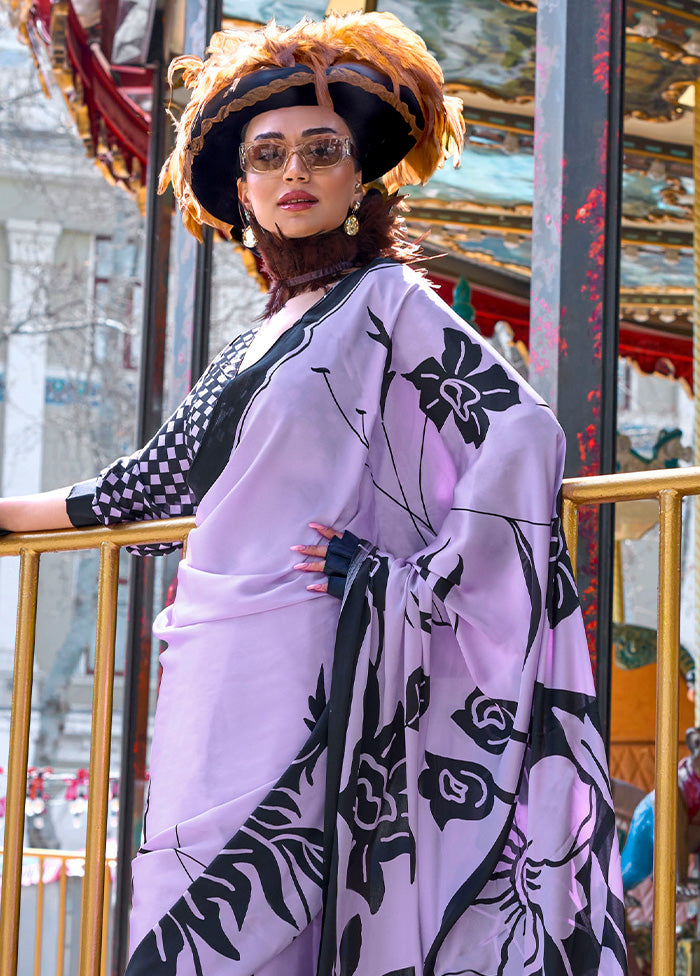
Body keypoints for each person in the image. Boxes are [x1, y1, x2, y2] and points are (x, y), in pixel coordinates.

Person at [0, 13, 626, 976]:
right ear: (241, 189)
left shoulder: (390, 303)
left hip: (312, 649)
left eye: (320, 150)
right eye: (269, 155)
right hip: (209, 657)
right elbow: (151, 485)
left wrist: (409, 582)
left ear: (358, 178)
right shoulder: (254, 341)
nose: (294, 170)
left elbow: (521, 432)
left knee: (265, 926)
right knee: (184, 905)